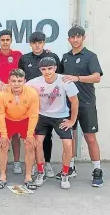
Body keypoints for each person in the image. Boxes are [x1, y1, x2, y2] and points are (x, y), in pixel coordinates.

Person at [59, 26, 103, 187]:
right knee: (70, 137)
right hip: (69, 104)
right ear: (68, 39)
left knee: (90, 137)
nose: (75, 39)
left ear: (83, 38)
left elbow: (96, 78)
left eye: (78, 36)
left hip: (86, 104)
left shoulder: (90, 56)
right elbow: (59, 77)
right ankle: (70, 167)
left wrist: (77, 78)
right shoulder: (65, 57)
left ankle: (97, 170)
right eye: (72, 37)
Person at [26, 57, 79, 189]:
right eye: (44, 69)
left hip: (61, 116)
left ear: (55, 68)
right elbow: (19, 86)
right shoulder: (34, 82)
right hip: (42, 116)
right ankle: (40, 172)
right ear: (40, 70)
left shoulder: (65, 81)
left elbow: (75, 102)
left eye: (50, 68)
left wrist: (72, 121)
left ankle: (65, 175)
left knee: (68, 144)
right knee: (37, 143)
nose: (47, 72)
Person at [18, 31, 62, 177]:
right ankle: (38, 165)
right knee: (35, 134)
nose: (37, 46)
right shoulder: (24, 59)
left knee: (47, 135)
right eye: (34, 43)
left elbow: (60, 79)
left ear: (44, 43)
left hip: (49, 103)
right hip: (30, 104)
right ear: (30, 44)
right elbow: (21, 79)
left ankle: (47, 163)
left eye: (40, 42)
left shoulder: (53, 57)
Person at [0, 30, 24, 175]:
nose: (5, 42)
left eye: (8, 39)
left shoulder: (18, 55)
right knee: (0, 134)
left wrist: (46, 52)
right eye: (3, 40)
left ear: (11, 41)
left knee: (14, 134)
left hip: (15, 100)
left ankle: (16, 163)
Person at [0, 69, 39, 190]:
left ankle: (28, 177)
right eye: (13, 81)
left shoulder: (32, 93)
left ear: (25, 81)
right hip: (8, 120)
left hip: (25, 120)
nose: (16, 84)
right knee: (3, 145)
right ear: (8, 81)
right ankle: (2, 176)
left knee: (30, 145)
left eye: (20, 81)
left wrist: (30, 134)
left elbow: (34, 114)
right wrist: (3, 134)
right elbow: (0, 114)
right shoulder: (2, 93)